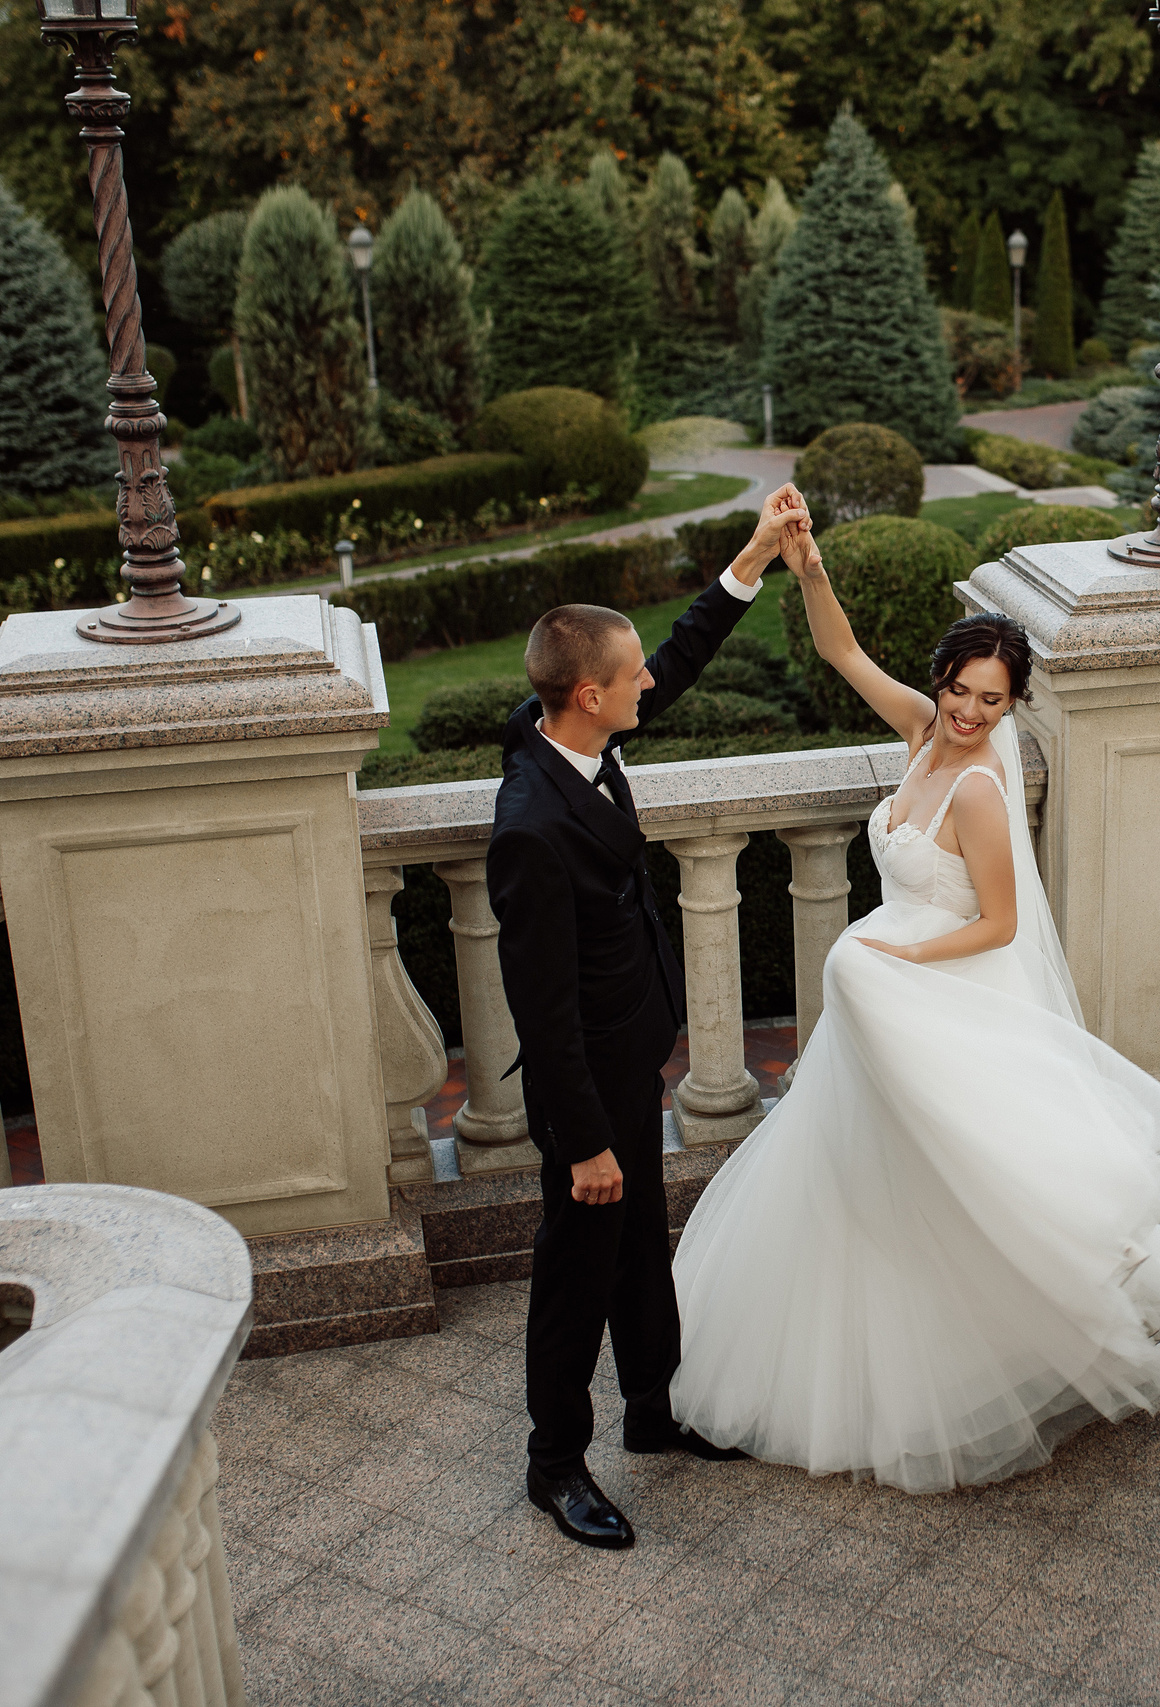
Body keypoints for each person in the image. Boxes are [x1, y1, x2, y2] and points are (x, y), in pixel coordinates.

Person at [666, 515, 1160, 1494]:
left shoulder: (978, 795)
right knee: (876, 1176)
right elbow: (840, 652)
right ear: (942, 682)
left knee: (968, 1186)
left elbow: (999, 924)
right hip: (885, 1009)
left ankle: (1048, 1333)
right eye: (959, 690)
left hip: (936, 995)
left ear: (1011, 703)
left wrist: (898, 956)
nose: (967, 712)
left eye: (989, 700)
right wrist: (809, 568)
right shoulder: (921, 733)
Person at [490, 481, 810, 1551]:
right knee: (575, 1270)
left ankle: (654, 1410)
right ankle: (553, 1464)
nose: (648, 684)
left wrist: (752, 559)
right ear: (588, 694)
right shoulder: (531, 827)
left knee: (639, 1246)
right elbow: (540, 1011)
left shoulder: (573, 738)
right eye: (630, 678)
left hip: (630, 1060)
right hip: (583, 1088)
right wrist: (583, 1140)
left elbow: (674, 659)